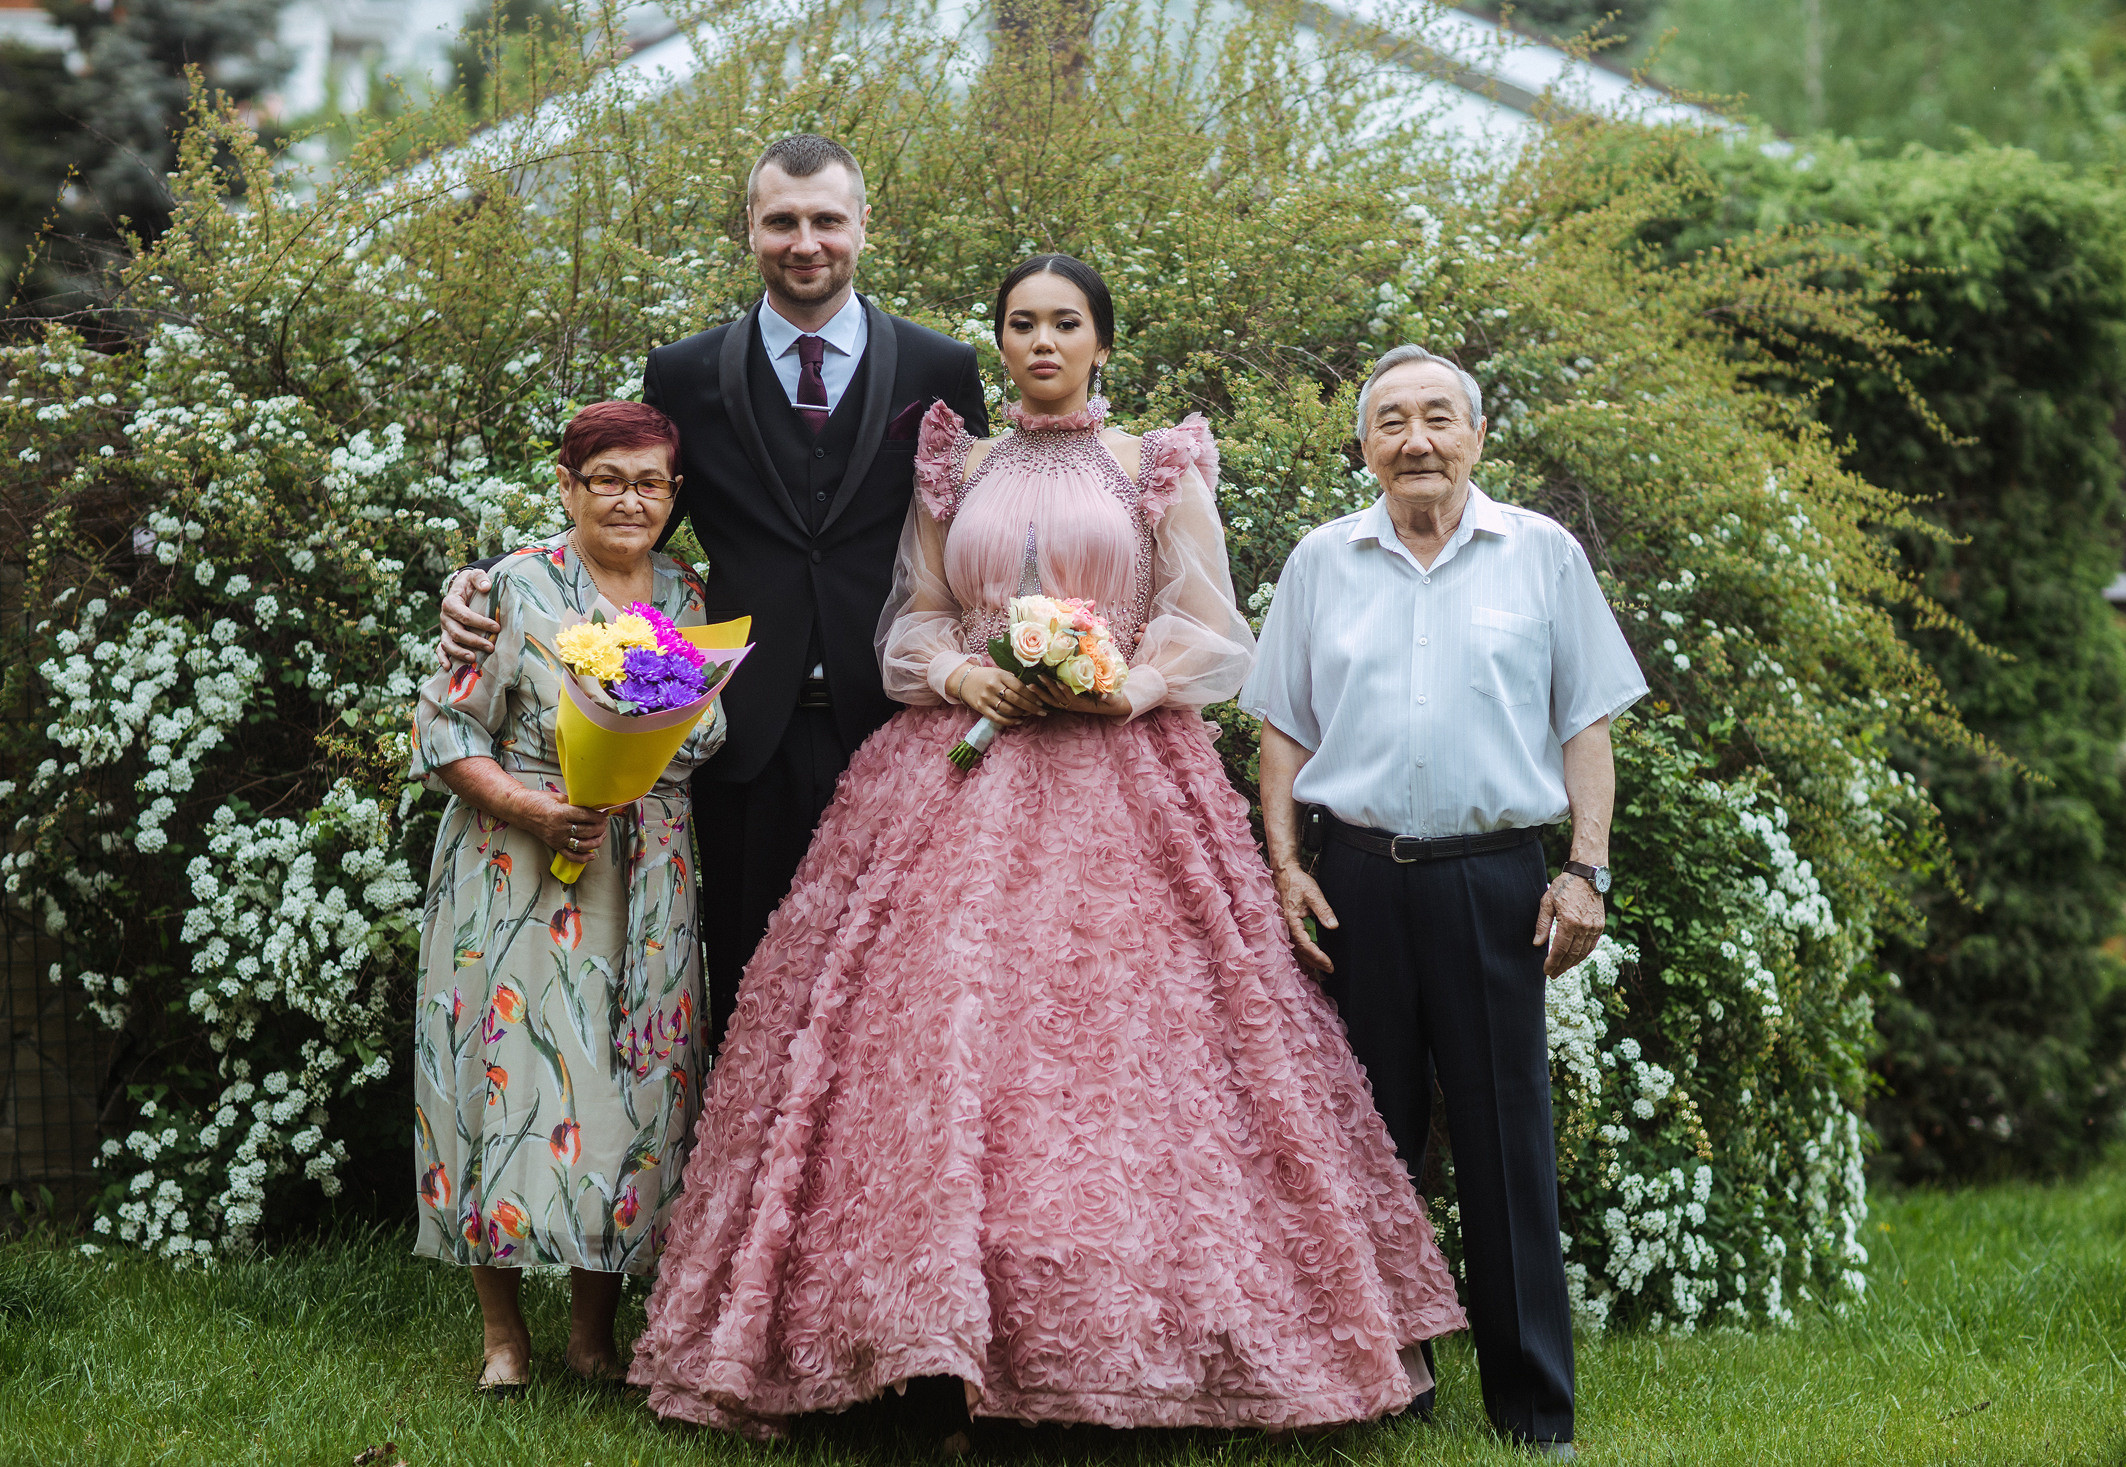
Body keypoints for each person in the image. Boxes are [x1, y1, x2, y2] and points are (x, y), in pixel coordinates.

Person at [623, 255, 1465, 1441]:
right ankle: (916, 1347)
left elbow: (1208, 624)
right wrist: (962, 669)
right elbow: (909, 613)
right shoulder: (952, 464)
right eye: (1021, 325)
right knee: (938, 1032)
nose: (1040, 343)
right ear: (1001, 344)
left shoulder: (1153, 464)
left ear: (1100, 344)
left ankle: (1141, 1342)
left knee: (1122, 1049)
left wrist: (1125, 685)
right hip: (948, 775)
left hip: (1122, 779)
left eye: (1064, 324)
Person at [439, 134, 990, 1049]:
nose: (804, 241)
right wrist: (487, 583)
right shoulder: (684, 373)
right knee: (748, 988)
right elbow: (624, 516)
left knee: (898, 995)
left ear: (864, 226)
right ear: (750, 228)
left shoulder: (942, 369)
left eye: (825, 220)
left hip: (899, 724)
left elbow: (982, 533)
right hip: (742, 738)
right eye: (782, 221)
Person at [1240, 344, 1648, 1459]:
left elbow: (1587, 723)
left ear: (1475, 436)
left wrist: (1586, 868)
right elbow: (1281, 728)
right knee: (1362, 1140)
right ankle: (1380, 1387)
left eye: (1436, 418)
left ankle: (1532, 1409)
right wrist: (1284, 868)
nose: (1413, 439)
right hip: (1356, 880)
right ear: (1362, 444)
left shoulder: (1542, 555)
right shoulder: (1322, 560)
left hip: (1496, 880)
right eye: (1389, 422)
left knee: (1503, 1138)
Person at [410, 401, 725, 1393]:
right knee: (505, 1073)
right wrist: (537, 809)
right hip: (514, 861)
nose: (631, 499)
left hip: (651, 867)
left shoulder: (690, 591)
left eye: (651, 483)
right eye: (609, 479)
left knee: (632, 1082)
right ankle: (504, 1337)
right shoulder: (513, 584)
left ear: (675, 498)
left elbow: (706, 731)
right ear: (568, 484)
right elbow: (444, 735)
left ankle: (596, 1330)